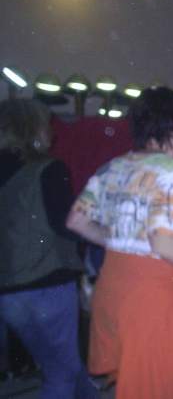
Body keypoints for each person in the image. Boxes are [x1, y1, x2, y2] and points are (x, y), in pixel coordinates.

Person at [66, 86, 173, 399]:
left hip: (113, 292)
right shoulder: (172, 170)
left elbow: (76, 220)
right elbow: (165, 245)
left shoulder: (113, 166)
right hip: (153, 300)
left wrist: (123, 239)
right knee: (164, 384)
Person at [0, 98, 97, 398]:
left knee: (60, 365)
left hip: (8, 292)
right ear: (33, 128)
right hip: (47, 283)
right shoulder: (48, 169)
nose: (51, 132)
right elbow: (66, 225)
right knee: (61, 374)